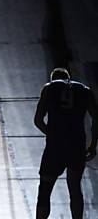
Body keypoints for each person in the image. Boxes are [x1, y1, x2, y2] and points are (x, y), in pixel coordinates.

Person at [34, 67, 98, 219]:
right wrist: (93, 145)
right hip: (76, 145)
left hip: (55, 148)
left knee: (45, 190)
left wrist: (53, 134)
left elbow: (38, 120)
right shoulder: (84, 90)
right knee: (75, 188)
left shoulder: (49, 89)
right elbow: (96, 118)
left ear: (53, 79)